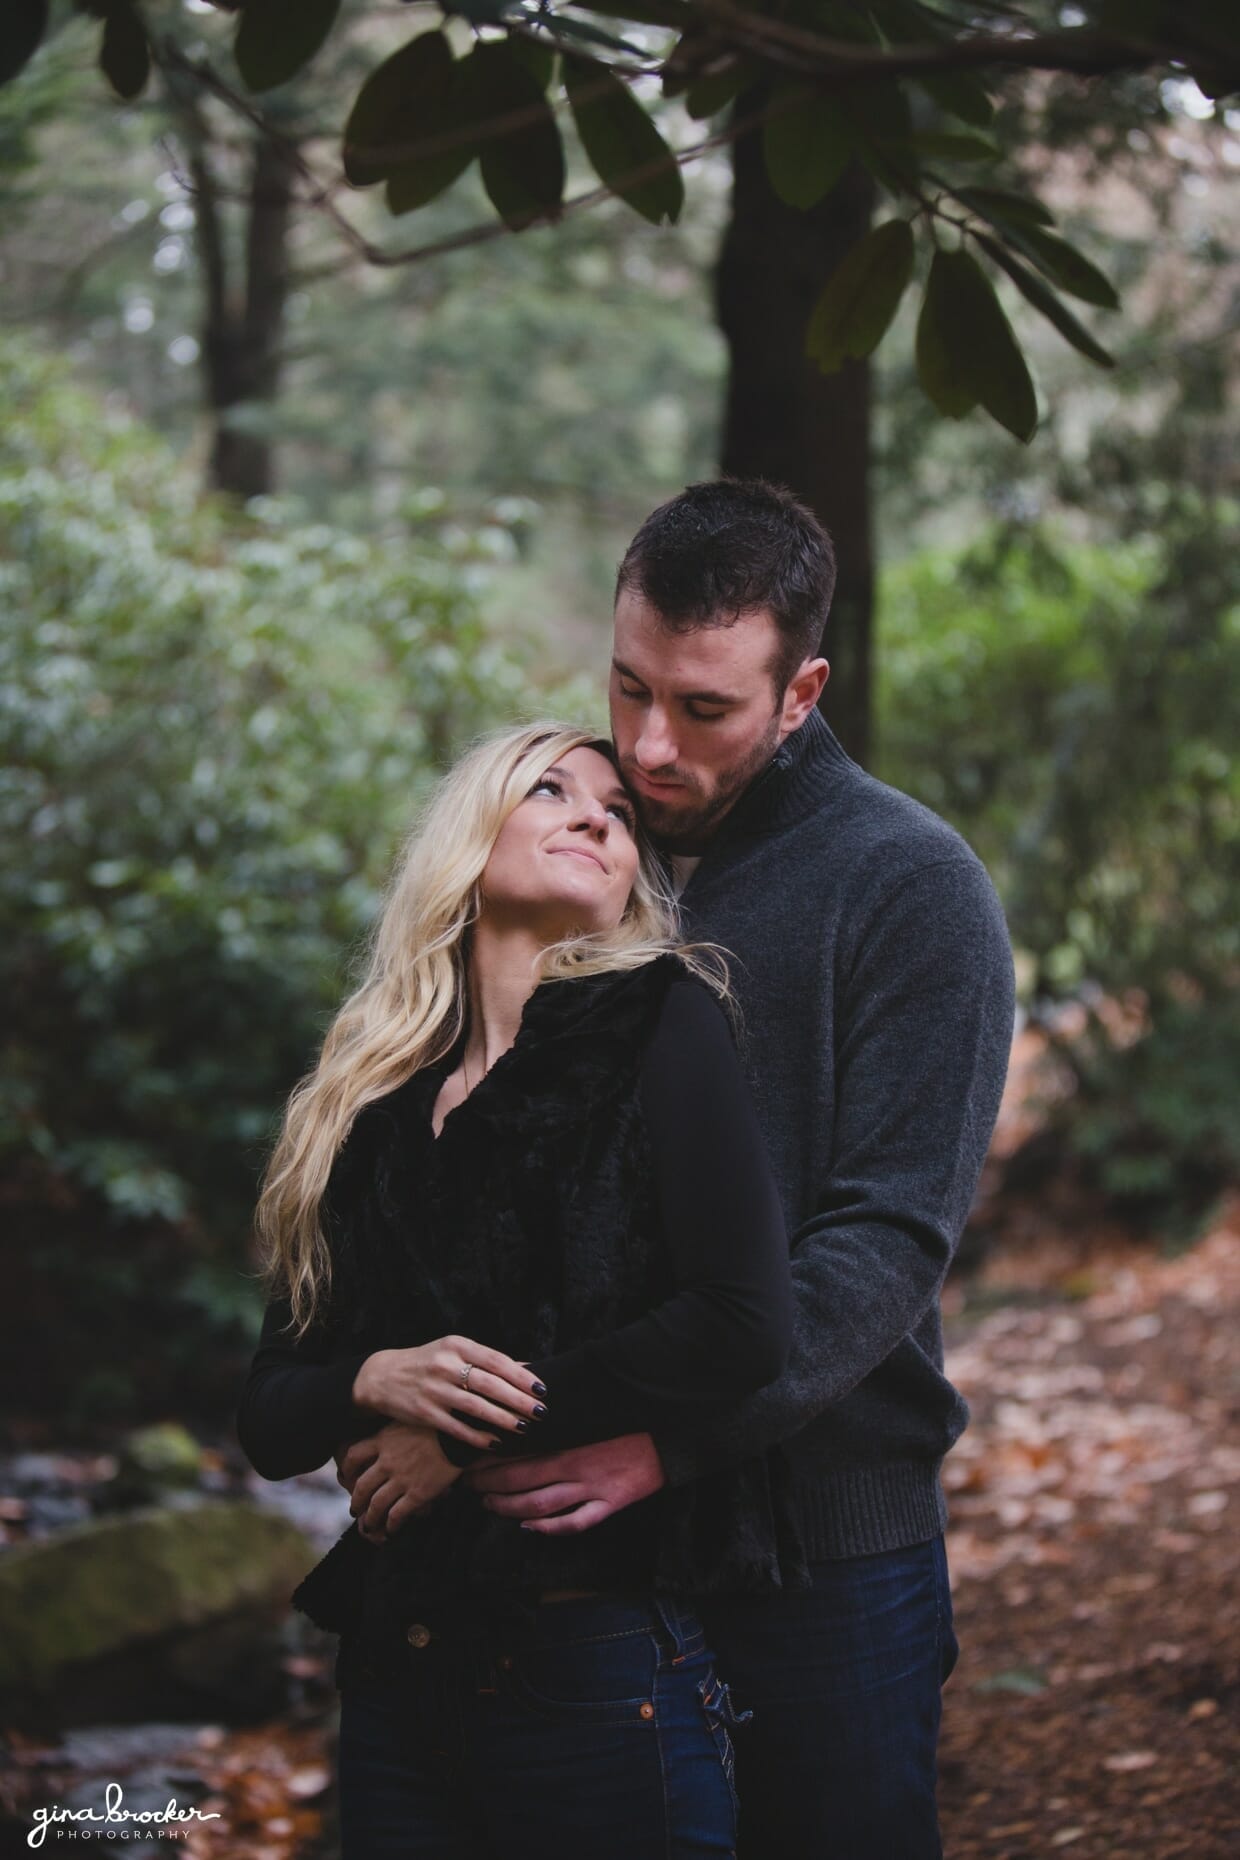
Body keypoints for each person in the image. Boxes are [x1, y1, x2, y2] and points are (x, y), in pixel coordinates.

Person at [453, 480, 1018, 1858]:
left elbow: (883, 1244)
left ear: (803, 688)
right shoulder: (569, 842)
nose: (648, 743)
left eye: (703, 710)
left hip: (825, 1552)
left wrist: (674, 1442)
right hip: (568, 1542)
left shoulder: (909, 887)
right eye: (628, 685)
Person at [236, 721, 802, 1860]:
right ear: (468, 836)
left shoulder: (662, 1016)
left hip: (593, 1666)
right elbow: (267, 1416)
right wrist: (375, 1375)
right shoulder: (375, 1103)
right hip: (397, 1679)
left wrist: (468, 1437)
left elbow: (744, 1323)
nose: (599, 813)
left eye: (619, 810)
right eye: (552, 789)